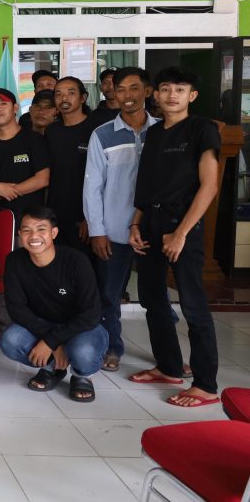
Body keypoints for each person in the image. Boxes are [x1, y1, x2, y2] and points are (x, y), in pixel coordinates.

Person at [129, 67, 221, 408]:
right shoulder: (154, 133)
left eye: (180, 90)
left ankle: (205, 385)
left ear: (191, 95)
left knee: (193, 306)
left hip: (182, 224)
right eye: (166, 88)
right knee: (152, 298)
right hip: (150, 222)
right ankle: (168, 367)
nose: (171, 95)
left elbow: (209, 186)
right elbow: (147, 183)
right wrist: (136, 223)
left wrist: (181, 233)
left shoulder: (202, 129)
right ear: (156, 94)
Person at [84, 67, 158, 372]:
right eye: (121, 89)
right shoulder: (102, 134)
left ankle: (166, 357)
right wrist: (97, 231)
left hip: (154, 229)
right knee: (109, 295)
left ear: (147, 91)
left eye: (134, 88)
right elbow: (92, 187)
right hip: (113, 230)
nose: (127, 95)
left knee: (156, 297)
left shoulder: (164, 130)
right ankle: (111, 347)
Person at [0, 207, 106, 402]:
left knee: (83, 352)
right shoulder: (14, 261)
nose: (34, 236)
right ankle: (52, 368)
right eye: (27, 230)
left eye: (41, 229)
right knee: (10, 340)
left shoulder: (76, 261)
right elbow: (17, 309)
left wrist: (50, 342)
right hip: (43, 324)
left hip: (81, 328)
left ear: (54, 233)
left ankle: (82, 375)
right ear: (20, 234)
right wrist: (52, 342)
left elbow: (91, 313)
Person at [0, 88, 50, 222]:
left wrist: (3, 192)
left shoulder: (34, 139)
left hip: (31, 219)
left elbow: (42, 179)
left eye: (3, 104)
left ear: (15, 108)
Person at [45, 77, 99, 251]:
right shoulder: (52, 131)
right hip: (56, 214)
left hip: (85, 217)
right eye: (58, 94)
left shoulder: (97, 129)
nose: (64, 98)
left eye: (71, 93)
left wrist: (91, 218)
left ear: (83, 98)